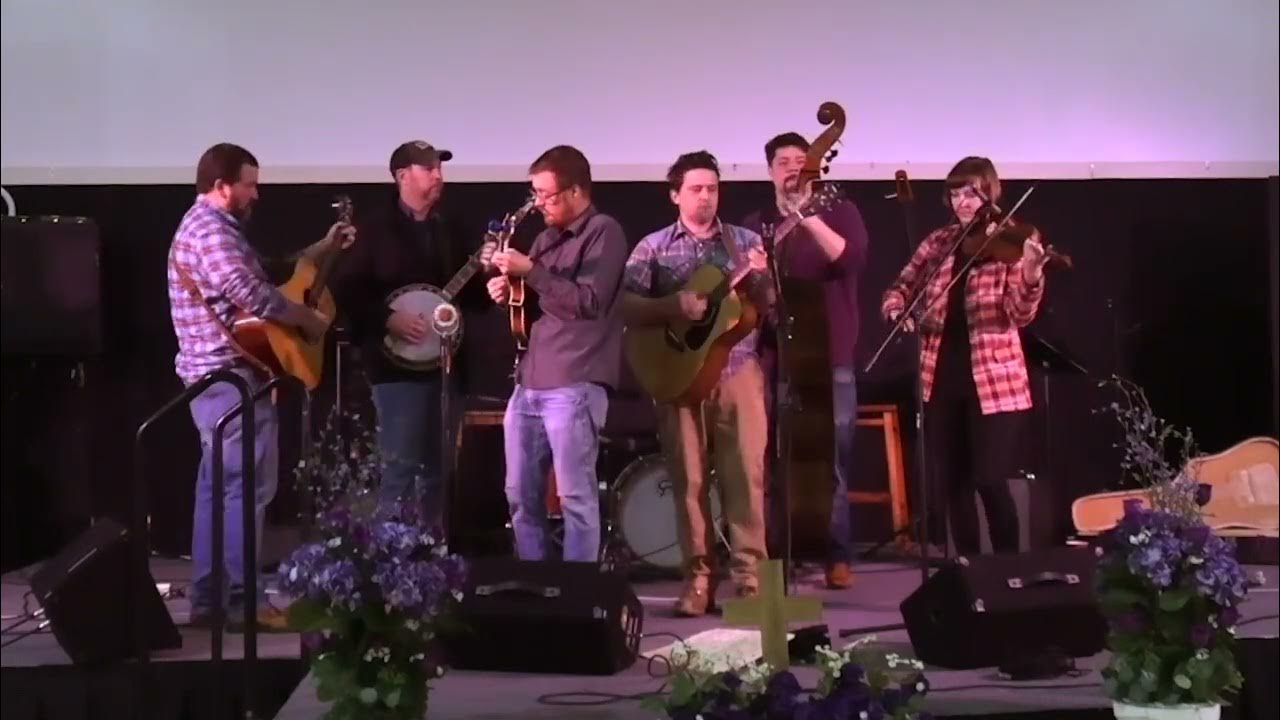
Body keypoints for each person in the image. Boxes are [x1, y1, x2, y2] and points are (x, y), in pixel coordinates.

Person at [167, 142, 352, 630]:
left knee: (219, 490)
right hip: (228, 379)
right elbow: (251, 292)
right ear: (221, 186)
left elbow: (264, 273)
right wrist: (307, 319)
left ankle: (211, 600)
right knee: (244, 490)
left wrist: (320, 250)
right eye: (249, 184)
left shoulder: (215, 229)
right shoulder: (210, 230)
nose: (256, 193)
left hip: (217, 380)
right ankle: (239, 602)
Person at [620, 150, 773, 616]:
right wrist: (673, 306)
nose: (705, 197)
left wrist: (762, 278)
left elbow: (767, 304)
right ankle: (698, 580)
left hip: (737, 372)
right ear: (675, 195)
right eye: (695, 189)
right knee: (688, 481)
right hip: (679, 377)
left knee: (745, 479)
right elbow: (625, 305)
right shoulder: (652, 247)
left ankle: (751, 581)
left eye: (712, 188)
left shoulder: (744, 241)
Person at [880, 156, 1050, 556]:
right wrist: (897, 310)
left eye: (971, 194)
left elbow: (1018, 315)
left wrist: (1031, 275)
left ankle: (1007, 570)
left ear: (990, 193)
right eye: (955, 195)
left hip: (995, 383)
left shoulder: (1012, 240)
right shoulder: (939, 242)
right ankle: (968, 570)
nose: (962, 203)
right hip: (941, 376)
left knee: (990, 479)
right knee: (953, 484)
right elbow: (900, 286)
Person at [334, 140, 492, 526]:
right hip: (395, 371)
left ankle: (432, 552)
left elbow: (474, 301)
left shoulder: (450, 229)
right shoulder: (373, 230)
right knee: (400, 467)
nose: (438, 175)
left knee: (439, 471)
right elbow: (346, 290)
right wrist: (387, 318)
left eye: (439, 168)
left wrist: (486, 271)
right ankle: (393, 553)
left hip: (446, 368)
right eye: (429, 168)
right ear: (403, 176)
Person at [486, 145, 629, 562]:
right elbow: (538, 306)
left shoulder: (604, 231)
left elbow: (588, 302)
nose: (538, 204)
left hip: (575, 381)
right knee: (519, 495)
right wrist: (510, 292)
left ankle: (577, 589)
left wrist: (530, 272)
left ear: (576, 191)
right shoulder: (545, 239)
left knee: (575, 497)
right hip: (530, 381)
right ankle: (537, 583)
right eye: (534, 194)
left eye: (545, 195)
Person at [742, 132, 870, 589]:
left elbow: (850, 259)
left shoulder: (838, 211)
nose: (794, 168)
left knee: (830, 459)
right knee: (775, 459)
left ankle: (837, 555)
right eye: (784, 162)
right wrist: (755, 274)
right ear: (770, 171)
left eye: (802, 160)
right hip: (775, 356)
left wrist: (807, 217)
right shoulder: (757, 224)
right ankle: (781, 554)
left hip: (830, 354)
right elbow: (750, 295)